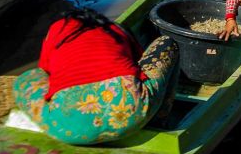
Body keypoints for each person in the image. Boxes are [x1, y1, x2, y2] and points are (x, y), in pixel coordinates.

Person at [13, 8, 179, 145]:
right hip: (132, 116)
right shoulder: (115, 29)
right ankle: (160, 119)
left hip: (65, 127)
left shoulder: (58, 28)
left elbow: (45, 72)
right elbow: (141, 65)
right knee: (166, 42)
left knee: (28, 76)